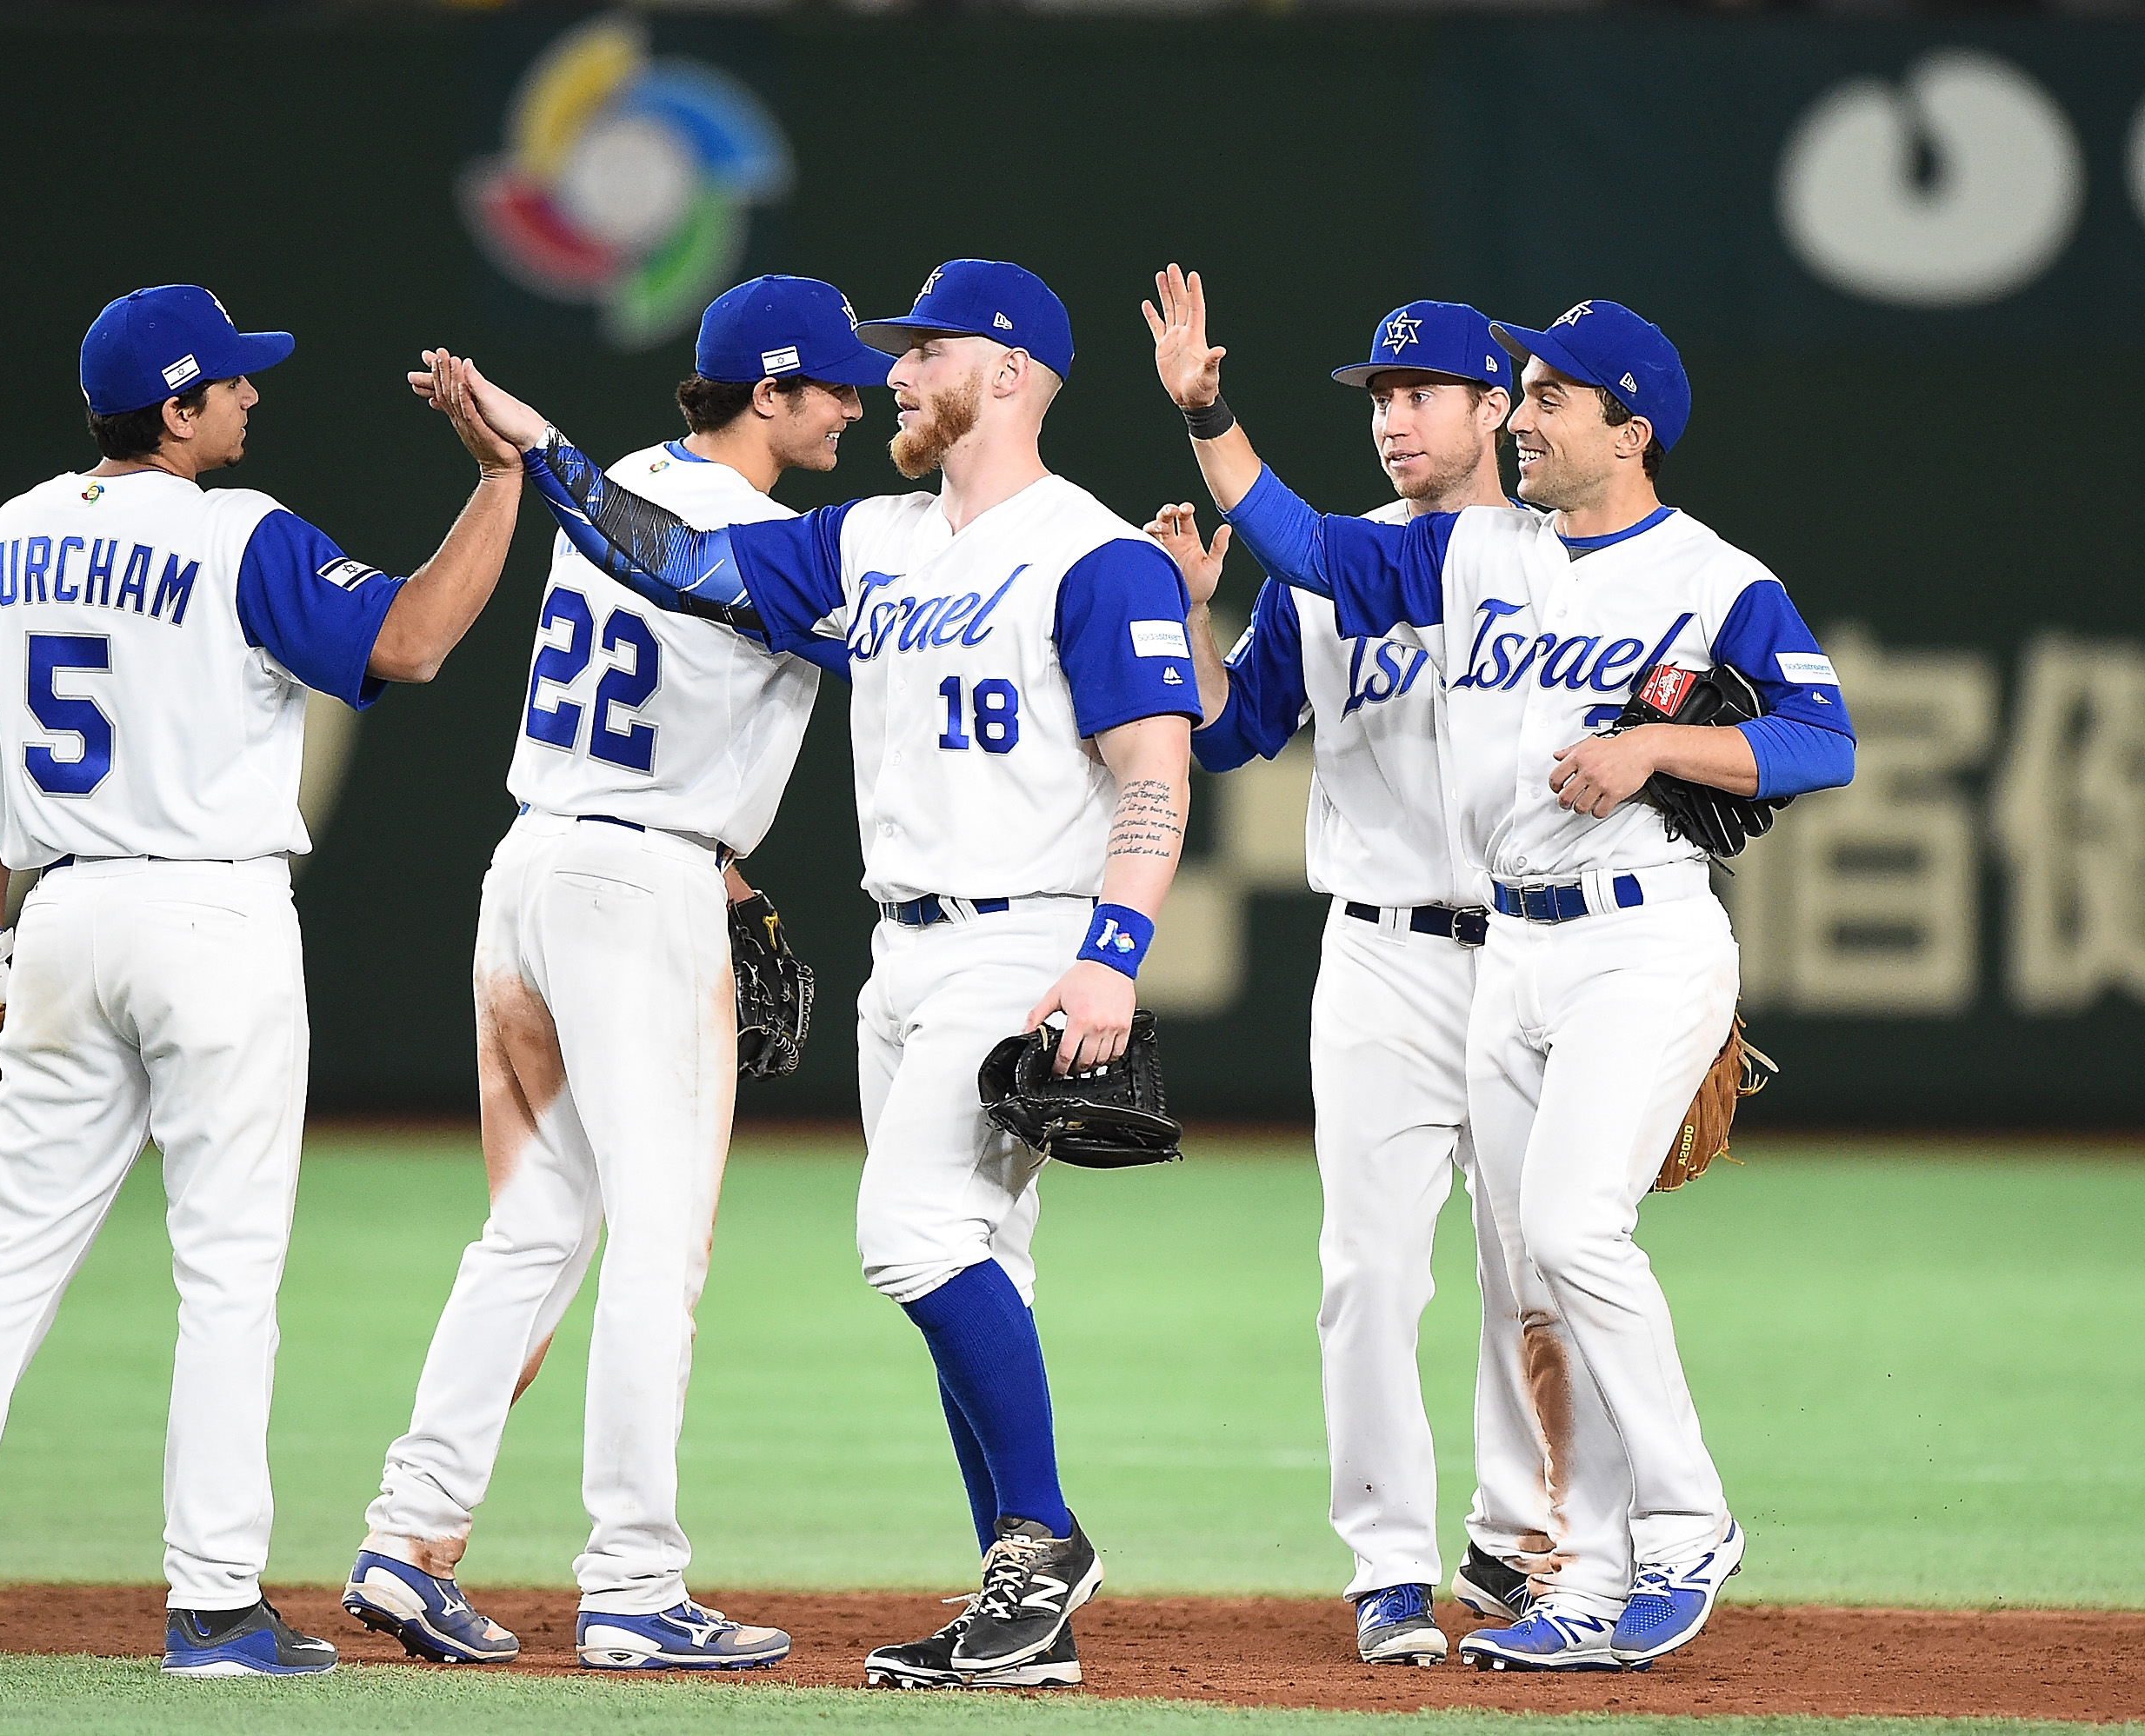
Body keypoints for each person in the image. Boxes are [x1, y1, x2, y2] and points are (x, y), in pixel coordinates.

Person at [438, 260, 1201, 1691]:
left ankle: (1043, 1534)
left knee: (908, 1234)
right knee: (979, 1258)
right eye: (892, 354)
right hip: (899, 949)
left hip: (1027, 933)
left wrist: (1109, 957)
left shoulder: (1095, 554)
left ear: (1017, 369)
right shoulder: (876, 539)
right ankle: (1020, 1613)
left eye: (926, 352)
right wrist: (542, 453)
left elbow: (1155, 772)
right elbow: (675, 559)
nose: (896, 374)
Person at [1152, 279, 1854, 1672]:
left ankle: (1681, 1522)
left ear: (1630, 426)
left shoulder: (1712, 578)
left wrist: (1660, 750)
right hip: (1491, 946)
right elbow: (1304, 545)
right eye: (1521, 393)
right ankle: (1580, 1574)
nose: (1525, 417)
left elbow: (1822, 741)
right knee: (1496, 1263)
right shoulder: (1485, 555)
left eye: (1547, 397)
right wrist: (1207, 414)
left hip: (1633, 929)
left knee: (1569, 1243)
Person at [0, 285, 523, 1679]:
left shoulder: (1, 540)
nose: (254, 398)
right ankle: (214, 1605)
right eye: (235, 384)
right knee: (227, 1271)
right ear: (178, 408)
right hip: (210, 917)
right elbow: (414, 641)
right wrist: (503, 480)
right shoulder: (235, 535)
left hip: (62, 922)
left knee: (10, 1255)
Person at [344, 276, 892, 1673]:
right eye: (831, 387)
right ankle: (635, 1581)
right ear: (766, 393)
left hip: (533, 863)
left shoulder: (631, 489)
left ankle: (408, 1539)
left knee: (533, 1229)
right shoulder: (770, 535)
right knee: (661, 1241)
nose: (852, 406)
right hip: (637, 886)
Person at [1142, 278, 1554, 1665]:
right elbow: (1224, 732)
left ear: (1495, 407)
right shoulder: (1325, 568)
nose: (1394, 417)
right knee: (1370, 1268)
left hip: (1533, 950)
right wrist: (1202, 618)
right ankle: (1389, 1566)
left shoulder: (1547, 558)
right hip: (1380, 955)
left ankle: (1516, 1536)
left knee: (1536, 1264)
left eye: (1421, 391)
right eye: (1378, 397)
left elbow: (1311, 546)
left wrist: (1209, 419)